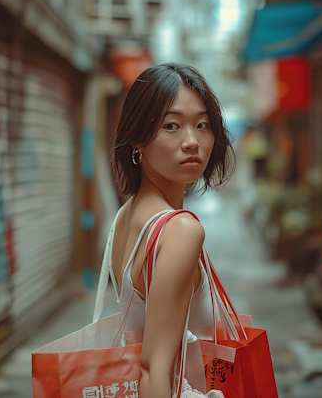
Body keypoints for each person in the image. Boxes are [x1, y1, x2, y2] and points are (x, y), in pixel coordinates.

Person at [108, 63, 235, 398]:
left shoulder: (127, 214)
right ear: (137, 140)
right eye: (172, 126)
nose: (191, 141)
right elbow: (153, 371)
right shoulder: (180, 230)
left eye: (202, 125)